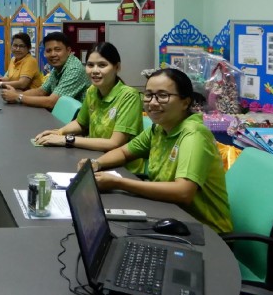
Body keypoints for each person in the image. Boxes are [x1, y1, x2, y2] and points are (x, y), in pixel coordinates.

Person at [78, 68, 232, 234]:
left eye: (163, 96)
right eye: (148, 95)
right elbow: (123, 152)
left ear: (185, 102)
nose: (152, 102)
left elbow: (183, 192)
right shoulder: (158, 129)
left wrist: (118, 183)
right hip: (168, 214)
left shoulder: (194, 135)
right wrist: (96, 163)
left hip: (205, 232)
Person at [34, 42, 145, 172]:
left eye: (102, 65)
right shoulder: (92, 90)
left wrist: (67, 139)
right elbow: (81, 123)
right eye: (90, 65)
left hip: (122, 168)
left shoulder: (129, 96)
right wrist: (59, 132)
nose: (95, 71)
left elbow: (114, 143)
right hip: (94, 157)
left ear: (117, 67)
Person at [0, 31, 87, 109]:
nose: (53, 54)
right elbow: (41, 91)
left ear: (68, 51)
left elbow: (52, 102)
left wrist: (18, 97)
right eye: (48, 50)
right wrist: (15, 95)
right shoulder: (58, 68)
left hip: (77, 120)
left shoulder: (74, 69)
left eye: (57, 50)